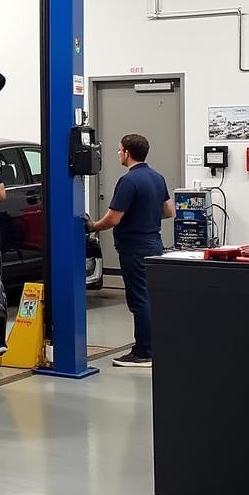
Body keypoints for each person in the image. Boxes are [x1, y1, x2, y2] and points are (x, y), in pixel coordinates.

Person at [88, 133, 173, 368]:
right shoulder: (157, 177)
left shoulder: (129, 181)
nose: (118, 154)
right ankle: (153, 346)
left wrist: (93, 225)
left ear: (127, 153)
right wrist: (144, 213)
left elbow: (114, 218)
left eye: (119, 150)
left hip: (134, 247)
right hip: (154, 244)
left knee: (139, 299)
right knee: (149, 297)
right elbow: (169, 211)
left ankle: (144, 352)